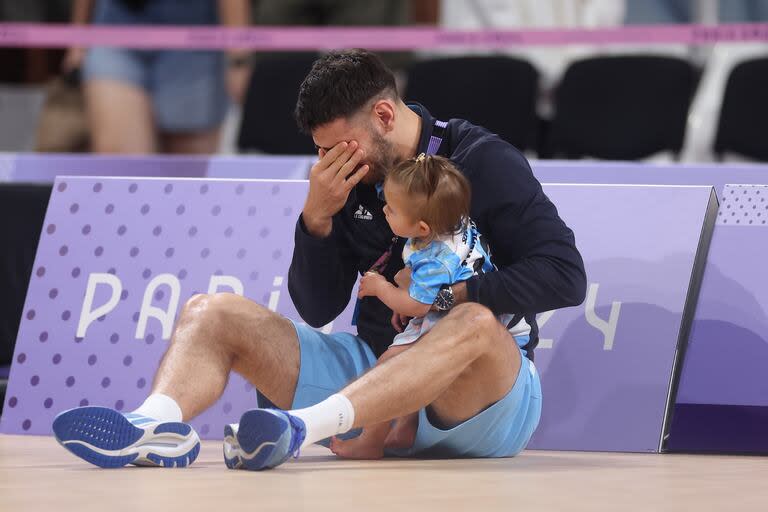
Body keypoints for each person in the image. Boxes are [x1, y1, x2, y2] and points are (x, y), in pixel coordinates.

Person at [52, 49, 586, 470]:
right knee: (209, 311)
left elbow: (566, 276)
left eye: (338, 146)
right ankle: (154, 427)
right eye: (320, 150)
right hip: (375, 375)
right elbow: (317, 306)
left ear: (382, 115)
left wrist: (445, 298)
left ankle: (306, 428)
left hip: (477, 396)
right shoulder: (348, 183)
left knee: (472, 322)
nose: (328, 162)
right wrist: (316, 223)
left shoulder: (480, 160)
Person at [329, 153, 516, 460]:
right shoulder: (452, 223)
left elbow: (417, 305)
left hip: (455, 322)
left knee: (390, 365)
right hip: (466, 307)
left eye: (391, 209)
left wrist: (383, 289)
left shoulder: (435, 260)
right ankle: (405, 426)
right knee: (412, 367)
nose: (384, 210)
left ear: (422, 228)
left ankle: (371, 440)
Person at [63, 0, 251, 154]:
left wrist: (238, 58)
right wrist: (78, 36)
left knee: (185, 179)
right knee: (121, 168)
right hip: (115, 26)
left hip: (194, 38)